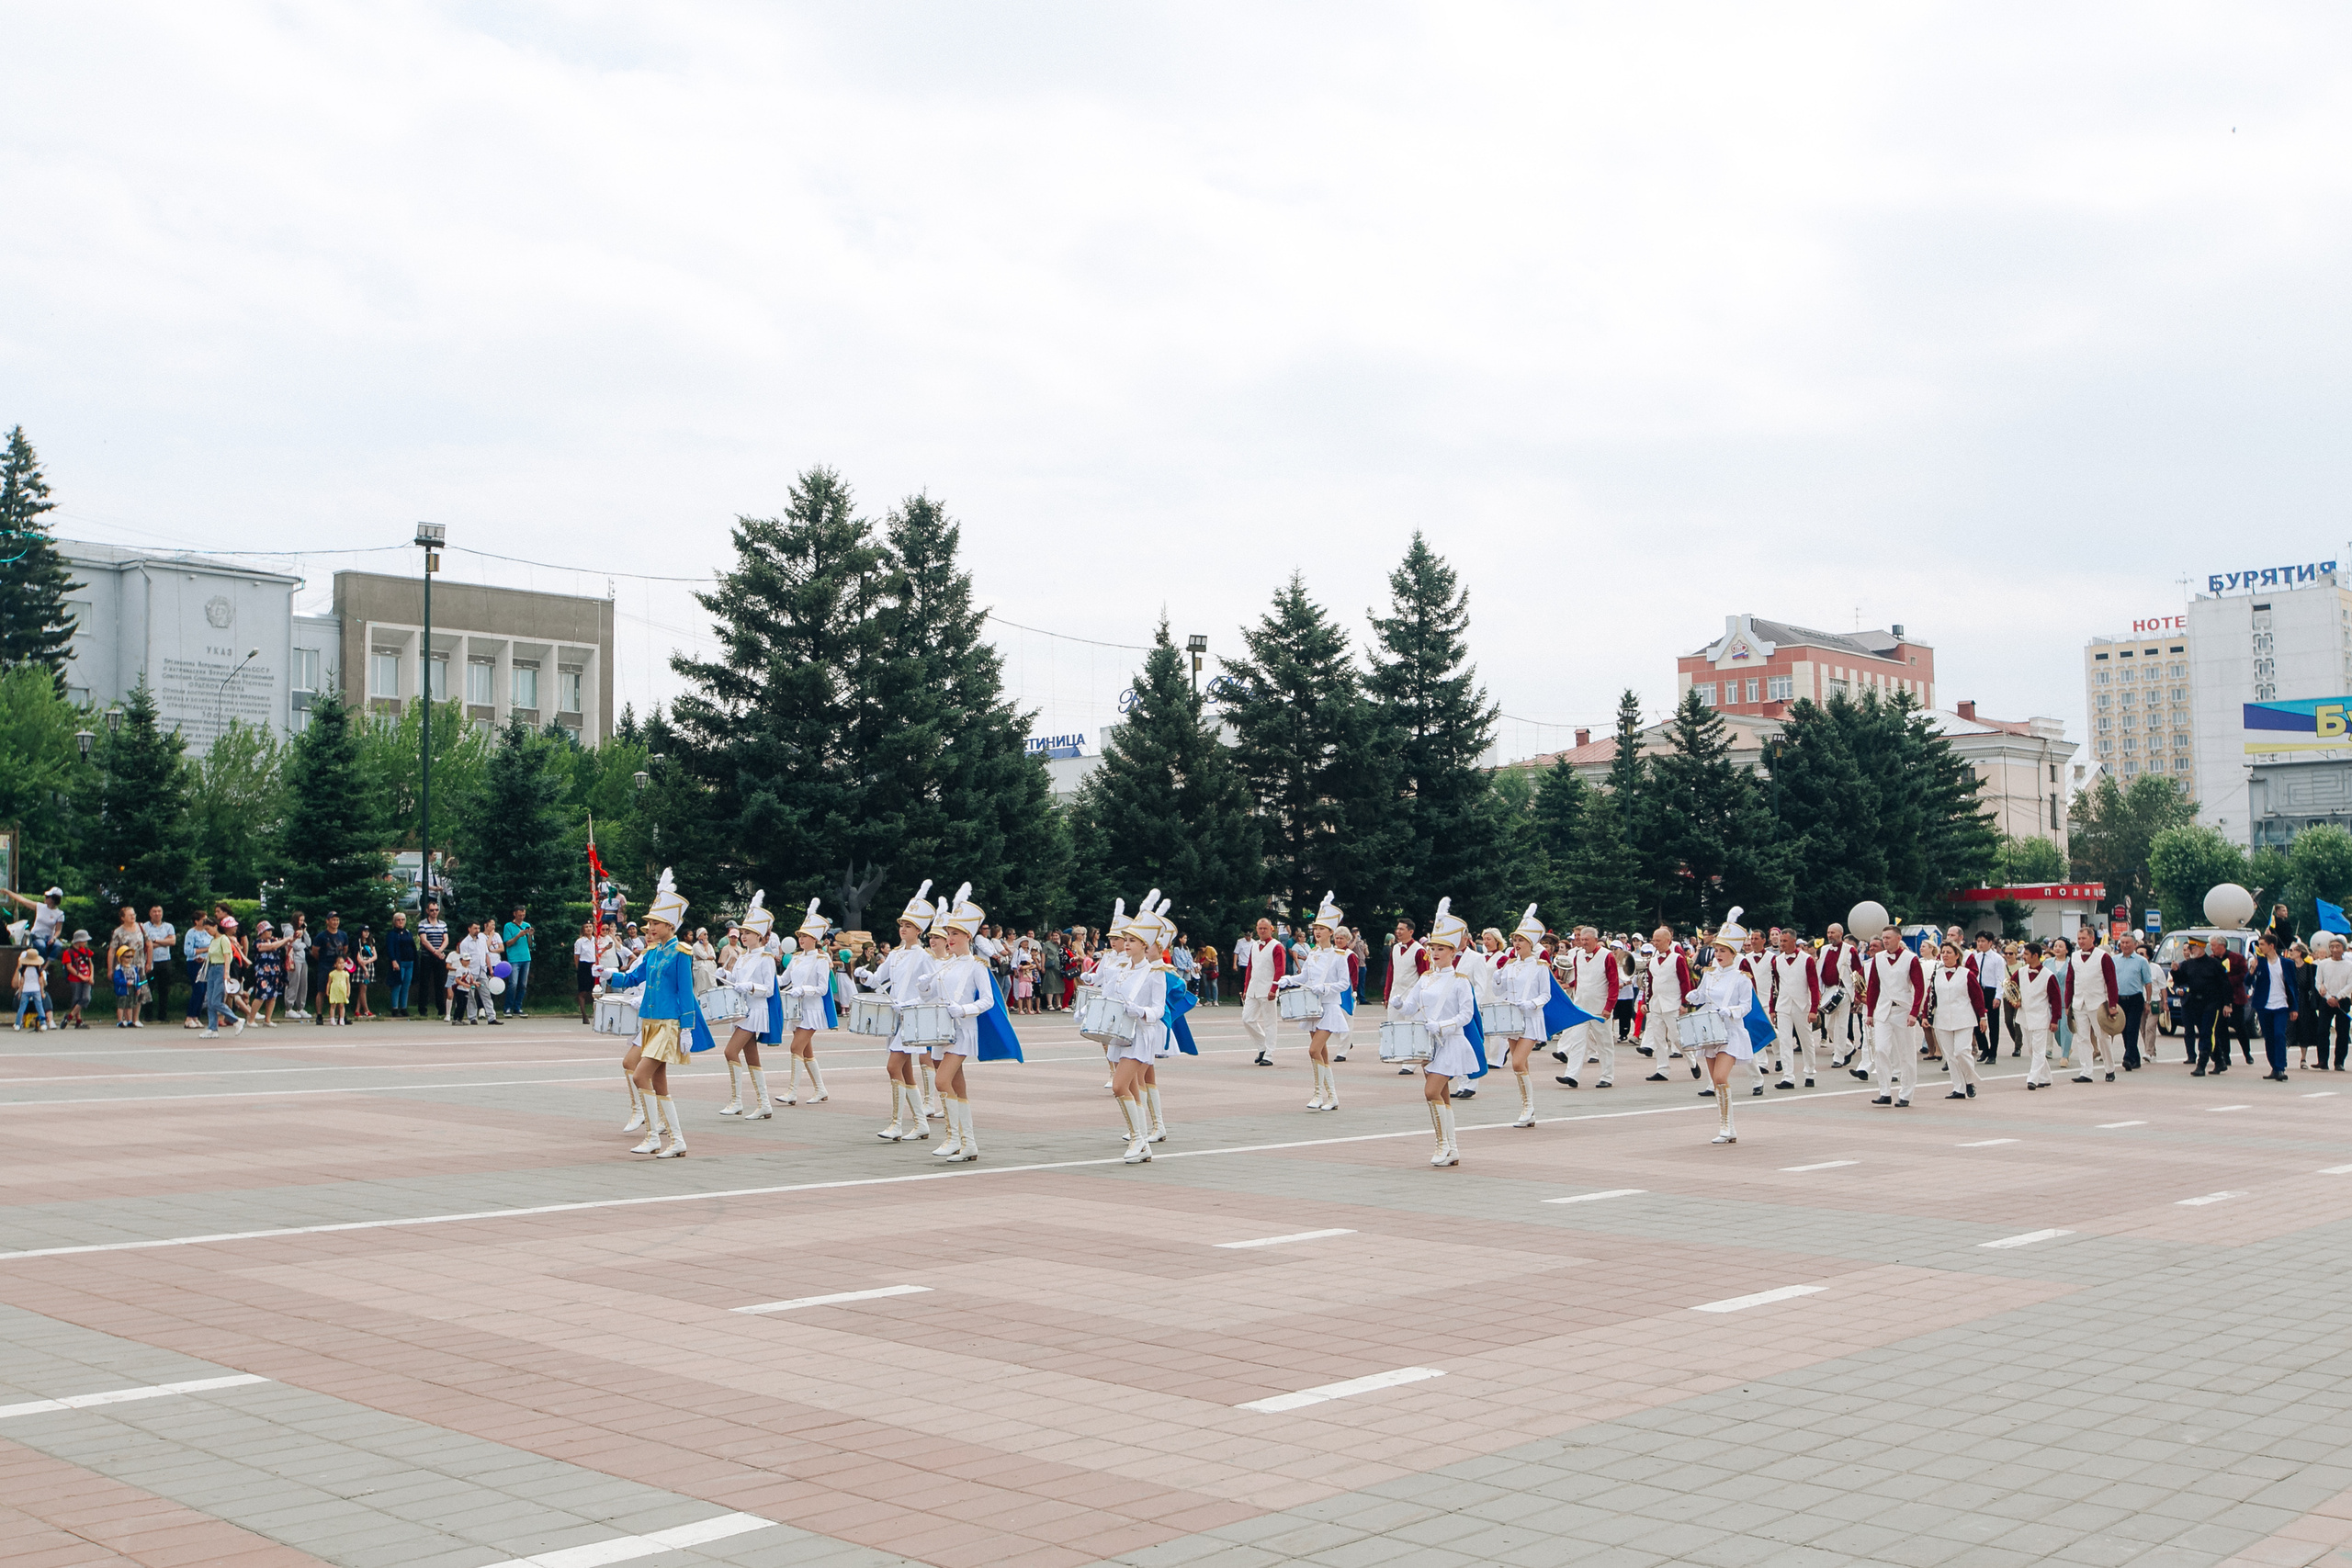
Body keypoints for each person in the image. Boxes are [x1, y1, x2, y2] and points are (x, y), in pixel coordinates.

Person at [602, 868, 710, 1156]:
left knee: (640, 1076)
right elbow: (633, 979)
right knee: (659, 1082)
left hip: (669, 1024)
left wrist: (687, 1027)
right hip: (649, 1024)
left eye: (655, 923)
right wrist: (608, 974)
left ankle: (654, 1136)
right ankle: (676, 1141)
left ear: (670, 927)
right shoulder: (652, 952)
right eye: (649, 923)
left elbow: (686, 993)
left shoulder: (681, 952)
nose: (650, 928)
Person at [1392, 898, 1478, 1166]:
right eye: (1433, 948)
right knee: (1440, 1096)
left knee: (1431, 1092)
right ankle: (1450, 1148)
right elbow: (1410, 1007)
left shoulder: (1460, 981)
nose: (1436, 952)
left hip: (1450, 1041)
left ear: (1453, 952)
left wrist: (1442, 1025)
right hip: (1429, 1044)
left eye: (1442, 948)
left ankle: (1444, 1145)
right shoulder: (1426, 977)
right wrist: (1398, 1003)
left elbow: (1467, 1015)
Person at [929, 881, 1012, 1162]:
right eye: (948, 933)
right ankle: (967, 1143)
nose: (949, 938)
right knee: (957, 1086)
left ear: (967, 936)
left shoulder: (977, 965)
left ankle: (954, 1138)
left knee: (941, 1081)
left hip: (963, 1031)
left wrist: (963, 1010)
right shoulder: (946, 963)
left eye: (954, 933)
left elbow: (988, 1001)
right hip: (941, 1030)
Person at [867, 881, 939, 1140]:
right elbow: (877, 979)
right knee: (906, 1071)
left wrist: (913, 1000)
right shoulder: (896, 954)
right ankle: (921, 1124)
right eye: (901, 925)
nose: (902, 929)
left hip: (912, 1018)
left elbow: (933, 992)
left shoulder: (924, 956)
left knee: (893, 1067)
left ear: (918, 930)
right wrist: (866, 975)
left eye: (908, 926)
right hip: (895, 1018)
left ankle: (897, 1123)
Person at [1690, 911, 1762, 1143]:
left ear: (1734, 953)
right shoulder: (1710, 975)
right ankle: (1727, 1128)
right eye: (1717, 950)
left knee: (1721, 1077)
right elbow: (1701, 995)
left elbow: (1746, 1007)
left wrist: (1729, 1011)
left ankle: (1727, 1126)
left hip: (1731, 1031)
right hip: (1710, 1030)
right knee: (1716, 1081)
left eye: (1723, 951)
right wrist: (1693, 996)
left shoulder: (1742, 978)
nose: (1718, 955)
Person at [1285, 893, 1353, 1112]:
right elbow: (1304, 977)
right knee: (1321, 1053)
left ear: (1331, 932)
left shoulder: (1339, 955)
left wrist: (1326, 988)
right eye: (1315, 928)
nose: (1316, 932)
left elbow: (1344, 983)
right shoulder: (1313, 954)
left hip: (1330, 1007)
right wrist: (1289, 979)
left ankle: (1318, 1092)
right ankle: (1330, 1096)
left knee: (1313, 1050)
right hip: (1313, 1008)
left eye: (1321, 929)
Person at [714, 892, 779, 1120]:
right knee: (752, 1058)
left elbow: (769, 989)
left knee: (730, 1051)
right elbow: (736, 982)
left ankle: (737, 1101)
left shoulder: (766, 959)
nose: (743, 935)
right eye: (742, 932)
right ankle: (764, 1104)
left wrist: (751, 986)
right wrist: (725, 975)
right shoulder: (742, 957)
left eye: (748, 932)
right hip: (741, 1011)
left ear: (760, 936)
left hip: (755, 1011)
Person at [1498, 905, 1557, 1127]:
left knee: (1517, 1063)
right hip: (1512, 1018)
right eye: (1514, 940)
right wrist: (1498, 978)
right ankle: (1528, 1110)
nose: (1516, 944)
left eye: (1521, 940)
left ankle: (1528, 1107)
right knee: (1521, 1066)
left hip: (1531, 1018)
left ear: (1530, 944)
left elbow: (1546, 995)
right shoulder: (1511, 965)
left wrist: (1531, 1004)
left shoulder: (1540, 966)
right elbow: (1500, 991)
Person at [781, 898, 836, 1108]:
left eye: (804, 936)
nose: (801, 939)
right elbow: (783, 980)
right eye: (800, 936)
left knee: (795, 1047)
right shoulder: (795, 958)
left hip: (812, 1009)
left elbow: (823, 989)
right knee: (806, 1052)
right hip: (797, 1010)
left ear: (814, 938)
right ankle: (821, 1089)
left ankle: (792, 1092)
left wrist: (803, 989)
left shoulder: (821, 960)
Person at [1865, 926, 1927, 1106]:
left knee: (1906, 1053)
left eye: (1889, 938)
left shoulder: (1911, 959)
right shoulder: (1878, 958)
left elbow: (1919, 987)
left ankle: (1906, 1093)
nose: (1885, 941)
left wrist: (1914, 1012)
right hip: (1883, 1010)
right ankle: (1884, 1091)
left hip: (1903, 1009)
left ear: (1899, 938)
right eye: (1883, 938)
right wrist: (1870, 1012)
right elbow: (1873, 986)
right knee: (1881, 1049)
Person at [1556, 927, 1621, 1089]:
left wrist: (1609, 1006)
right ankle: (1572, 1075)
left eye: (1586, 940)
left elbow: (1613, 982)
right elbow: (1579, 979)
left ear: (1595, 940)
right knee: (1576, 1041)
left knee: (1604, 1043)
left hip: (1600, 1008)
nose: (1583, 942)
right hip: (1581, 1006)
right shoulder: (1578, 956)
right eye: (1581, 939)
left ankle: (1607, 1076)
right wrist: (1568, 986)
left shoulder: (1607, 956)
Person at [1928, 941, 1985, 1100]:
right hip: (1943, 1018)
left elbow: (1977, 997)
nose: (1945, 955)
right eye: (1943, 952)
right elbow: (1931, 995)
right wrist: (1926, 1016)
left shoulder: (1966, 974)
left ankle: (1969, 1080)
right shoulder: (1937, 974)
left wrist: (1982, 1016)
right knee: (1950, 1056)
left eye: (1948, 952)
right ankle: (1958, 1088)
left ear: (1957, 955)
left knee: (1961, 1051)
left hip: (1964, 1018)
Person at [1766, 927, 1821, 1089]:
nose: (1781, 944)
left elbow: (1813, 985)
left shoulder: (1806, 960)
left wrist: (1814, 1009)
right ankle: (1788, 1076)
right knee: (1784, 1041)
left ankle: (1810, 1072)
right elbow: (1774, 986)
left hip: (1802, 1004)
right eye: (1780, 941)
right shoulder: (1777, 961)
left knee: (1806, 1040)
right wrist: (1772, 1008)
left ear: (1793, 942)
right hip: (1783, 1004)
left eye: (1784, 941)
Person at [2064, 926, 2121, 1084]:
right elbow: (2070, 981)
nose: (2081, 941)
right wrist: (2067, 1003)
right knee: (2082, 1037)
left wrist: (2113, 1004)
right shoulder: (2074, 957)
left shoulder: (2103, 956)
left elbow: (2111, 982)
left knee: (2102, 1036)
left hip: (2098, 1002)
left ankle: (2109, 1068)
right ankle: (2086, 1071)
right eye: (2079, 938)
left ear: (2092, 939)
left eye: (2084, 938)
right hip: (2079, 1001)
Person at [1639, 928, 1694, 1083]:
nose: (1655, 944)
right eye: (1653, 940)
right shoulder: (1653, 961)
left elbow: (1685, 981)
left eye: (1658, 941)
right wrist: (1645, 1001)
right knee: (1658, 1038)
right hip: (1656, 1004)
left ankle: (1692, 1061)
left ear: (1668, 941)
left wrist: (1685, 1002)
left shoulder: (1677, 958)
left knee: (1676, 1037)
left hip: (1673, 1003)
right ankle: (1662, 1069)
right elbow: (1649, 983)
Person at [2173, 936, 2231, 1076]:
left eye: (2192, 948)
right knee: (2205, 1032)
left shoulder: (2214, 964)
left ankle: (2202, 1064)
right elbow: (2181, 980)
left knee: (2206, 1032)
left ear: (2200, 948)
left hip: (2212, 1002)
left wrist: (2227, 1004)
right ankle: (2220, 1061)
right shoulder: (2188, 964)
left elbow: (2225, 984)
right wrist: (2175, 971)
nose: (2190, 951)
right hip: (2195, 1003)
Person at [1235, 916, 1287, 1066]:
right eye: (1260, 928)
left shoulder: (1277, 946)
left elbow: (1280, 969)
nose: (1262, 931)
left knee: (1270, 1022)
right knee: (1247, 1018)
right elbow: (1250, 968)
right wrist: (1245, 988)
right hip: (1253, 988)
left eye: (1265, 928)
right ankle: (1262, 1045)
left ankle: (1269, 1054)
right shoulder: (1254, 945)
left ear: (1271, 929)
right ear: (1256, 929)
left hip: (1268, 989)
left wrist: (1274, 988)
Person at [2249, 931, 2298, 1081]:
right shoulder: (2259, 962)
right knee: (2269, 1038)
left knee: (2279, 1035)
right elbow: (2247, 982)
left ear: (2271, 946)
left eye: (2262, 944)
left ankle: (2281, 1068)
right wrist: (2251, 971)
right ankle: (2274, 1067)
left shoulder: (2287, 963)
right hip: (2264, 1006)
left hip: (2281, 1006)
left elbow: (2293, 986)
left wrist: (2294, 1007)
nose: (2259, 947)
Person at [2109, 930, 2157, 1071]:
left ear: (2135, 944)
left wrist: (2147, 1002)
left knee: (2132, 1029)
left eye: (2127, 943)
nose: (2124, 945)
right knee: (2124, 1030)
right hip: (2119, 999)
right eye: (2122, 943)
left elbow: (2148, 983)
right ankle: (2134, 1058)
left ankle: (2128, 1058)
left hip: (2135, 999)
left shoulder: (2141, 961)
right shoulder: (2114, 960)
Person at [1817, 921, 1861, 1067]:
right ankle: (1849, 1048)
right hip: (1828, 991)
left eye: (1833, 933)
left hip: (1844, 991)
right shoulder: (1823, 950)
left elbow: (1857, 972)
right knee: (1829, 1026)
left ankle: (1838, 1057)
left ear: (1840, 934)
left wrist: (1859, 994)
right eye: (1828, 932)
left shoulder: (1850, 951)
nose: (1830, 935)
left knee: (1841, 1026)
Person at [1968, 931, 2008, 1065]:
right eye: (1978, 941)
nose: (1980, 944)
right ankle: (1984, 1048)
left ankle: (1993, 1053)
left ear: (1990, 943)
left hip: (1991, 991)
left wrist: (1998, 996)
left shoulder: (1997, 959)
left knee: (1993, 1024)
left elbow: (2000, 979)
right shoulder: (1976, 957)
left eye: (1983, 941)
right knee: (1976, 1022)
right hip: (1978, 991)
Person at [2315, 934, 2352, 1071]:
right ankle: (2323, 1060)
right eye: (2332, 947)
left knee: (2342, 1032)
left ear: (2343, 948)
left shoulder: (2349, 965)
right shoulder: (2323, 964)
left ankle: (2339, 1062)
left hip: (2343, 1000)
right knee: (2322, 1030)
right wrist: (2328, 996)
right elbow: (2318, 981)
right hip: (2327, 1001)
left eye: (2338, 946)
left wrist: (2338, 997)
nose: (2335, 949)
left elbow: (2350, 984)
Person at [4, 885, 67, 958]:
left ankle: (47, 964)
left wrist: (54, 938)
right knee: (41, 946)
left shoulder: (59, 914)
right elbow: (23, 900)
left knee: (58, 945)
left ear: (53, 899)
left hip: (49, 937)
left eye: (47, 897)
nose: (45, 898)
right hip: (36, 935)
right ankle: (40, 964)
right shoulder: (40, 907)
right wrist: (7, 892)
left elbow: (58, 930)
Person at [140, 904, 174, 1025]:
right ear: (150, 913)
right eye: (154, 911)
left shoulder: (168, 926)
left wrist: (155, 941)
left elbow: (172, 941)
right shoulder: (144, 927)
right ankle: (148, 1015)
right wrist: (163, 942)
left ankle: (162, 1015)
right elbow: (145, 944)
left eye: (159, 911)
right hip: (150, 961)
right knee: (148, 987)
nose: (157, 914)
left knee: (164, 989)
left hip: (164, 961)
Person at [251, 919, 288, 1026]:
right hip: (262, 972)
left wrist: (294, 936)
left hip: (275, 971)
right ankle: (251, 1019)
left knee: (273, 996)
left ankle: (268, 1019)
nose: (270, 932)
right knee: (261, 994)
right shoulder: (258, 943)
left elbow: (286, 942)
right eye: (268, 930)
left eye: (271, 930)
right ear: (262, 932)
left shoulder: (274, 940)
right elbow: (272, 947)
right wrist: (286, 939)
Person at [416, 903, 448, 1021]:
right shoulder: (423, 924)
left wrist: (440, 951)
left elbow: (446, 939)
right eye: (432, 910)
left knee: (440, 983)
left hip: (439, 957)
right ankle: (422, 1009)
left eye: (436, 910)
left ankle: (441, 1008)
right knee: (424, 983)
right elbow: (424, 940)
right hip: (427, 956)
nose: (434, 912)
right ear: (427, 911)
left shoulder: (443, 924)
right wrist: (435, 951)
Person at [58, 930, 94, 1029]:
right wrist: (80, 976)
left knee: (86, 998)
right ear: (78, 941)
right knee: (77, 999)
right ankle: (78, 1021)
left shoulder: (86, 951)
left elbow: (90, 964)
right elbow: (69, 967)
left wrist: (91, 976)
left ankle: (69, 1017)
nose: (86, 943)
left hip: (86, 978)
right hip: (75, 979)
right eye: (84, 940)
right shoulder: (68, 952)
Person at [503, 908, 534, 1017]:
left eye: (523, 915)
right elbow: (508, 943)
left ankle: (518, 1007)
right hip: (514, 958)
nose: (521, 917)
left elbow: (531, 944)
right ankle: (507, 1007)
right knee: (513, 984)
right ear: (514, 914)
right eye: (520, 915)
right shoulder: (508, 926)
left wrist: (530, 935)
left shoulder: (527, 924)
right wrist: (518, 936)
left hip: (526, 957)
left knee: (523, 984)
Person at [385, 912, 416, 1017]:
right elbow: (390, 949)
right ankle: (394, 1008)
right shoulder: (392, 934)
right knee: (397, 984)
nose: (401, 922)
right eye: (398, 920)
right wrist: (393, 961)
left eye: (403, 919)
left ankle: (404, 1008)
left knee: (406, 986)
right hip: (399, 962)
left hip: (409, 962)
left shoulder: (408, 932)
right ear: (394, 922)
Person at [13, 945, 51, 1030]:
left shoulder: (24, 970)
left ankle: (18, 1024)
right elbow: (41, 982)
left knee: (22, 1007)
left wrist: (20, 992)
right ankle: (43, 1023)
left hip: (26, 990)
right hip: (36, 990)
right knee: (40, 1007)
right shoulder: (38, 970)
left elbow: (22, 982)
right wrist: (41, 992)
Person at [283, 912, 311, 1020]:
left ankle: (301, 1007)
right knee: (293, 983)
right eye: (300, 920)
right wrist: (303, 945)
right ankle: (289, 1008)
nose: (302, 923)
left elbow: (308, 943)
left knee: (303, 984)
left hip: (303, 960)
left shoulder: (301, 930)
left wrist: (305, 931)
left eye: (303, 920)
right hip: (293, 959)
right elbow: (295, 946)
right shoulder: (289, 930)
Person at [574, 921, 601, 1024]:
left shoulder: (596, 940)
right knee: (583, 991)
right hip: (584, 965)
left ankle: (596, 1014)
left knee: (594, 990)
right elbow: (577, 956)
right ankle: (584, 1015)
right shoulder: (580, 941)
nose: (589, 929)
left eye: (590, 926)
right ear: (583, 929)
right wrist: (579, 968)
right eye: (586, 927)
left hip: (594, 965)